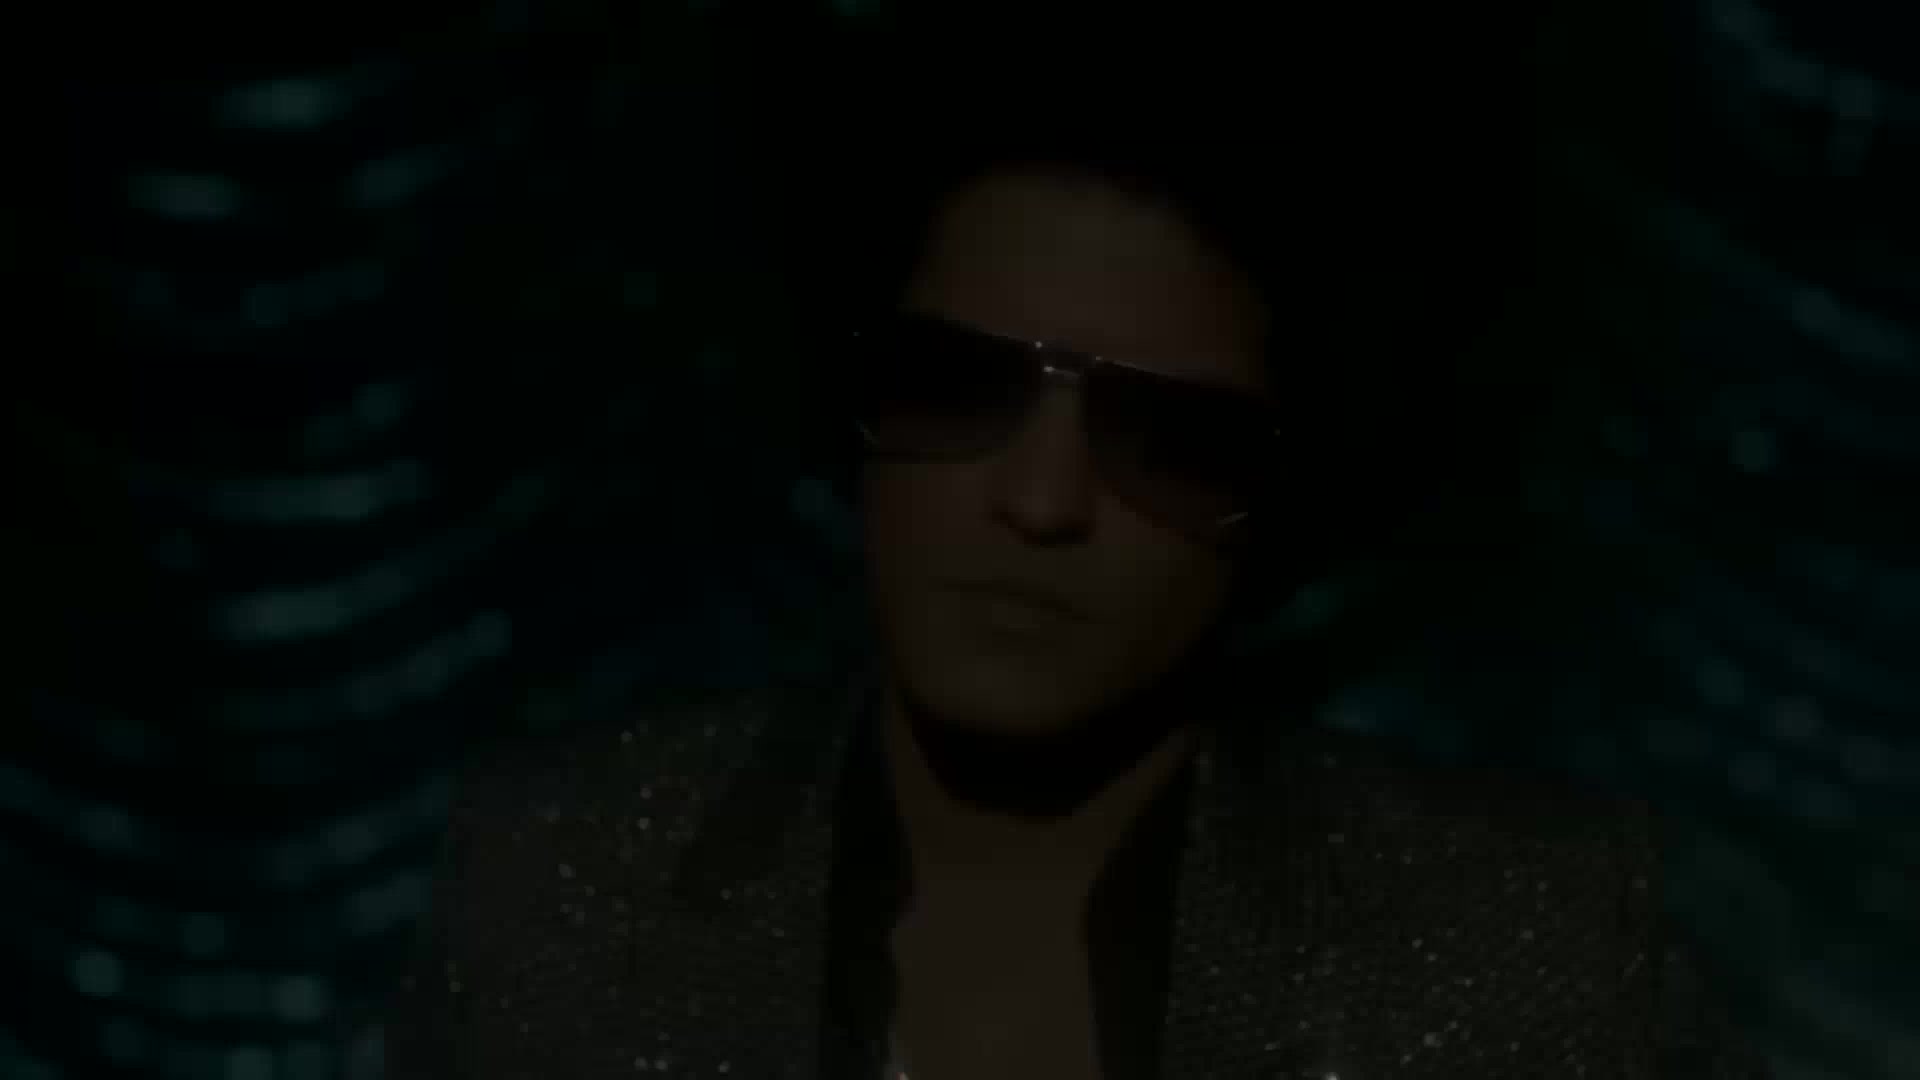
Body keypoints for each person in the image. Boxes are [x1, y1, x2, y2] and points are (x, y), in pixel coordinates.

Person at [378, 23, 1768, 1080]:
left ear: (1279, 495)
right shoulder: (558, 886)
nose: (1043, 498)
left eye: (1168, 440)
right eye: (956, 388)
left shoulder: (1532, 946)